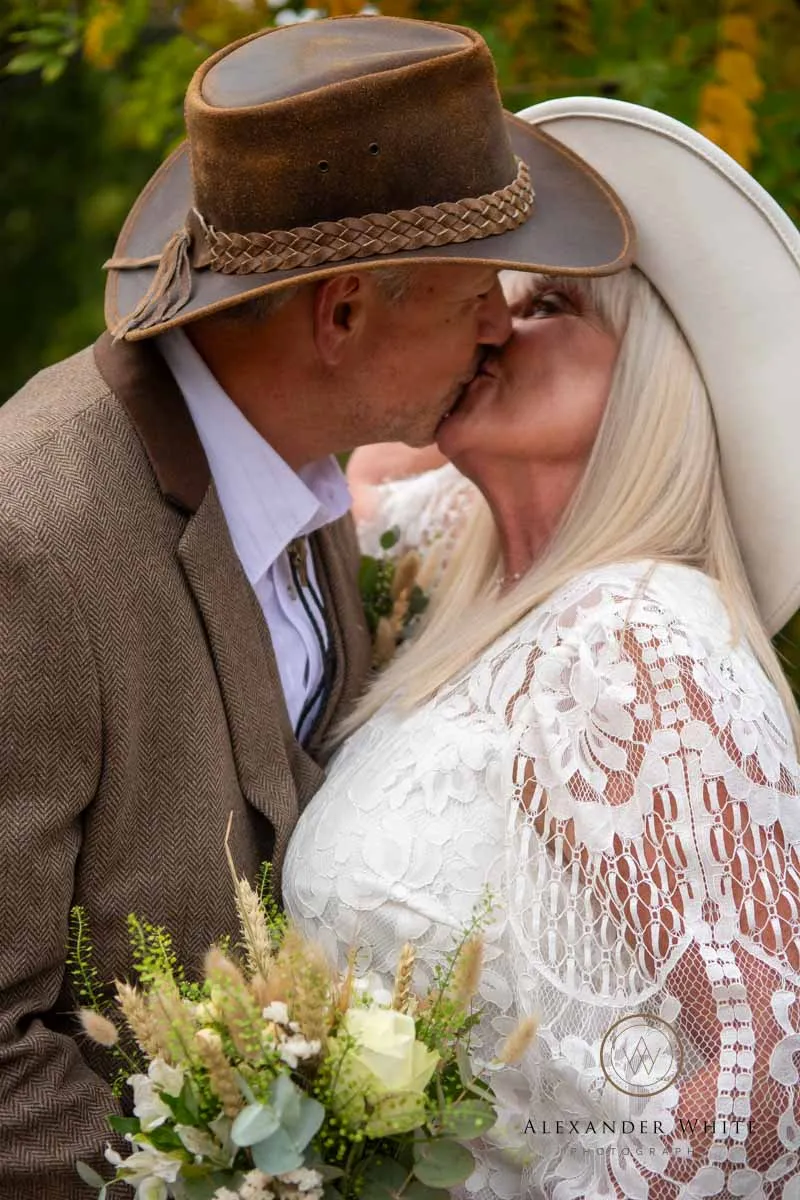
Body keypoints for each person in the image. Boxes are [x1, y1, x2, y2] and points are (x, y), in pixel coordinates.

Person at [0, 21, 635, 1199]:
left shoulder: (305, 463)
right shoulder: (29, 542)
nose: (500, 325)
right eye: (471, 299)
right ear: (341, 313)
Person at [283, 98, 800, 1199]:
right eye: (487, 301)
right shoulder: (468, 590)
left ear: (662, 377)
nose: (489, 325)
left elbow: (759, 1096)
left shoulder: (643, 640)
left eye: (547, 303)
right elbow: (345, 472)